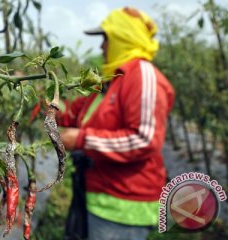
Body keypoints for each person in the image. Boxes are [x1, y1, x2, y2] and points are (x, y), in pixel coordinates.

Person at [58, 7, 175, 240]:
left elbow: (144, 139)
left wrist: (80, 139)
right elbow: (74, 113)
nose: (101, 47)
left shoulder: (142, 75)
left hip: (124, 205)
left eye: (106, 38)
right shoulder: (111, 81)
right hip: (98, 195)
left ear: (122, 38)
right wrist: (39, 97)